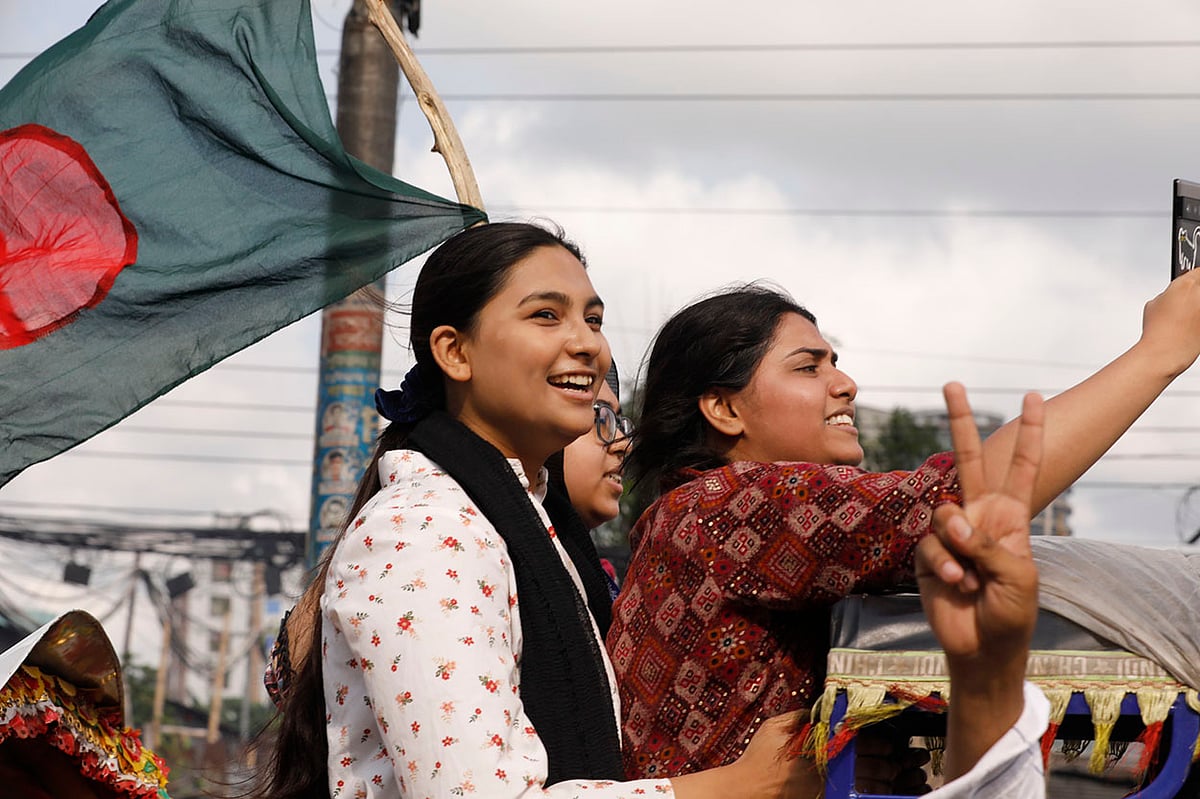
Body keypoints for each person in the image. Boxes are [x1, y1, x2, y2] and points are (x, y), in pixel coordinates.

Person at [259, 223, 816, 799]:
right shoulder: (426, 529)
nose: (588, 344)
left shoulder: (532, 523)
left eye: (592, 320)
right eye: (546, 315)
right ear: (454, 351)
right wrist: (740, 787)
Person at [607, 272, 1200, 781]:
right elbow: (956, 506)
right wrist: (1159, 352)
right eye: (808, 367)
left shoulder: (692, 513)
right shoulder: (730, 504)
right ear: (725, 409)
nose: (845, 384)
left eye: (835, 362)